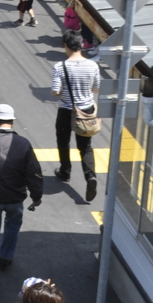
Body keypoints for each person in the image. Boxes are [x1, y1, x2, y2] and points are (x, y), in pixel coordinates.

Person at [0, 103, 43, 292]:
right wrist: (36, 196)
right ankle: (6, 258)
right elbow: (34, 172)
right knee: (12, 228)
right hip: (15, 198)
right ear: (12, 121)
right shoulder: (23, 144)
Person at [52, 32, 100, 200]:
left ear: (65, 45)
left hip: (66, 110)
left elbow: (56, 91)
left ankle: (65, 171)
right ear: (81, 45)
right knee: (85, 146)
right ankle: (90, 176)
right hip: (86, 110)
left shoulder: (60, 67)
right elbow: (96, 88)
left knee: (63, 142)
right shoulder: (93, 66)